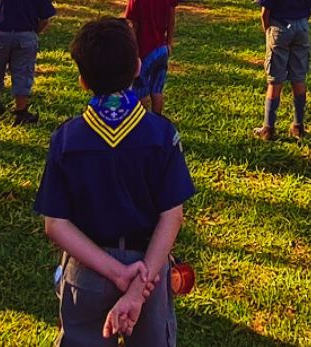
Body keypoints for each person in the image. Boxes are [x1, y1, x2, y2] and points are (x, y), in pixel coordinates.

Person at [35, 17, 195, 345]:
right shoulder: (162, 135)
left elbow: (55, 224)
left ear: (82, 80)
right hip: (148, 269)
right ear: (138, 67)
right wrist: (137, 284)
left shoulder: (67, 139)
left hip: (86, 269)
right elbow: (172, 216)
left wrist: (114, 272)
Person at [254, 0, 311, 141]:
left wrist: (267, 31)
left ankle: (268, 128)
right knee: (299, 77)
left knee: (275, 80)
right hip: (302, 27)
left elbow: (266, 11)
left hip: (280, 28)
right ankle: (298, 125)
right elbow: (310, 8)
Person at [128, 0, 181, 114]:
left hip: (144, 51)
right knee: (157, 90)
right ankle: (157, 121)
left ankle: (142, 123)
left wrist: (133, 50)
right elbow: (171, 20)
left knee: (141, 90)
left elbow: (131, 25)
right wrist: (169, 42)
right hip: (161, 49)